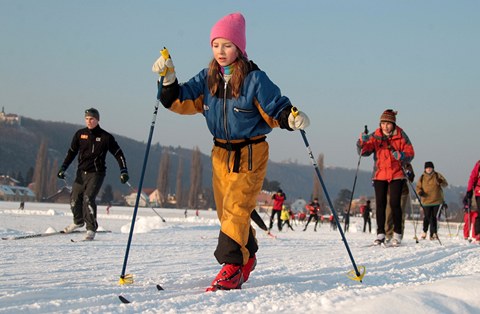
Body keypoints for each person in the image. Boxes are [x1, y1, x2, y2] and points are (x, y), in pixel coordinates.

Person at [151, 12, 310, 291]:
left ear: (239, 47)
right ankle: (247, 254)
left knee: (237, 208)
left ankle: (233, 267)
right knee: (227, 213)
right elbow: (180, 100)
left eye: (227, 45)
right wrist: (169, 80)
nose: (221, 51)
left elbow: (275, 107)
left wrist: (289, 117)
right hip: (220, 155)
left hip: (250, 153)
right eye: (216, 45)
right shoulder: (208, 77)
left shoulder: (255, 79)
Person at [57, 108, 128, 241]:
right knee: (74, 198)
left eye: (92, 119)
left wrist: (123, 171)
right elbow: (71, 152)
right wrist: (63, 168)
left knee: (88, 198)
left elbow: (119, 154)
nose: (89, 121)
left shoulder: (106, 137)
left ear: (97, 120)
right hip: (81, 172)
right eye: (87, 119)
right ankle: (78, 221)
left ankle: (91, 228)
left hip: (96, 173)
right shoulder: (80, 134)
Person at [358, 109, 415, 246]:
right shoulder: (375, 136)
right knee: (380, 204)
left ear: (393, 124)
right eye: (383, 123)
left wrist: (402, 156)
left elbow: (410, 153)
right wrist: (362, 142)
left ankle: (397, 234)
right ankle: (381, 234)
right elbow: (364, 152)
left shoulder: (401, 135)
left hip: (397, 173)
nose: (385, 126)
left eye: (388, 123)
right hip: (380, 174)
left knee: (395, 203)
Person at [416, 161, 448, 240]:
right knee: (427, 216)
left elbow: (445, 184)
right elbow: (418, 187)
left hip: (437, 200)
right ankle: (424, 231)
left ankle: (433, 233)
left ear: (433, 168)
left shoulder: (437, 175)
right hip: (426, 200)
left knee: (434, 217)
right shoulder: (422, 177)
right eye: (427, 168)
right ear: (425, 169)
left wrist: (441, 182)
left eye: (430, 168)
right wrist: (420, 192)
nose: (429, 169)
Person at [386, 163, 414, 241]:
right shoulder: (387, 161)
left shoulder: (406, 163)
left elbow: (411, 178)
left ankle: (398, 234)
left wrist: (409, 174)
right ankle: (388, 234)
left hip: (402, 192)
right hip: (389, 192)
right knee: (389, 213)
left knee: (400, 213)